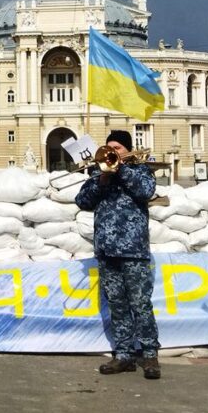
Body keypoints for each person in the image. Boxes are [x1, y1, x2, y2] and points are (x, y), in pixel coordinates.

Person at [75, 130, 160, 379]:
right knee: (117, 305)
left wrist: (121, 169)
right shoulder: (99, 174)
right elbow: (82, 201)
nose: (112, 151)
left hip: (134, 250)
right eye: (109, 147)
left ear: (127, 151)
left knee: (140, 304)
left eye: (118, 148)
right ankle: (123, 355)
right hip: (106, 250)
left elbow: (146, 192)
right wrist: (101, 180)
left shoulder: (141, 170)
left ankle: (150, 354)